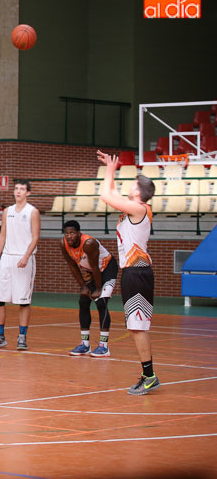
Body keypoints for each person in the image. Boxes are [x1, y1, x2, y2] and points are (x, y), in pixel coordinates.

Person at [98, 151, 159, 395]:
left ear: (139, 191)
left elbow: (105, 196)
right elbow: (111, 193)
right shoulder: (134, 208)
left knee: (138, 327)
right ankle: (148, 374)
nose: (130, 185)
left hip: (138, 273)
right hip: (132, 272)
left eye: (133, 183)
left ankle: (150, 375)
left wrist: (110, 171)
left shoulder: (140, 209)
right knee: (135, 327)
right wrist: (110, 168)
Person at [0, 179, 40, 351]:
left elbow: (35, 237)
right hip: (7, 259)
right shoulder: (7, 211)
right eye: (16, 188)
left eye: (22, 189)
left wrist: (26, 256)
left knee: (23, 301)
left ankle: (22, 337)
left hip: (24, 259)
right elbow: (2, 235)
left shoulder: (32, 211)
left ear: (28, 193)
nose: (18, 191)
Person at [60, 220, 118, 357]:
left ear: (79, 233)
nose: (69, 236)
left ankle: (104, 346)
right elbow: (72, 265)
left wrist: (97, 289)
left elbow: (95, 267)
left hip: (107, 269)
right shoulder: (63, 243)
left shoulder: (89, 243)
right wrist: (83, 287)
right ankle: (85, 344)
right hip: (92, 271)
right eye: (66, 233)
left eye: (72, 233)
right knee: (83, 301)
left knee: (101, 302)